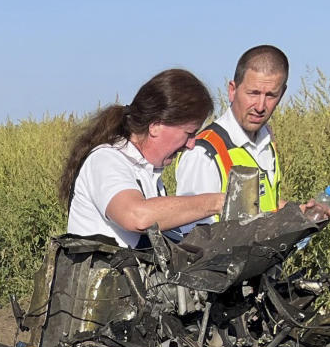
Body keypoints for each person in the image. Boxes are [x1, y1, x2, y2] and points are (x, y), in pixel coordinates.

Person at [59, 69, 225, 248]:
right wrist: (217, 202)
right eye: (189, 133)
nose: (191, 144)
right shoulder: (105, 160)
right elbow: (137, 217)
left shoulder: (147, 171)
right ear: (155, 126)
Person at [176, 45, 330, 227]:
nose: (260, 106)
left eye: (270, 95)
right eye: (253, 93)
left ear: (282, 94)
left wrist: (298, 214)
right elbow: (194, 236)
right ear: (232, 90)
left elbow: (266, 205)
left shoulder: (266, 140)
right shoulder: (204, 152)